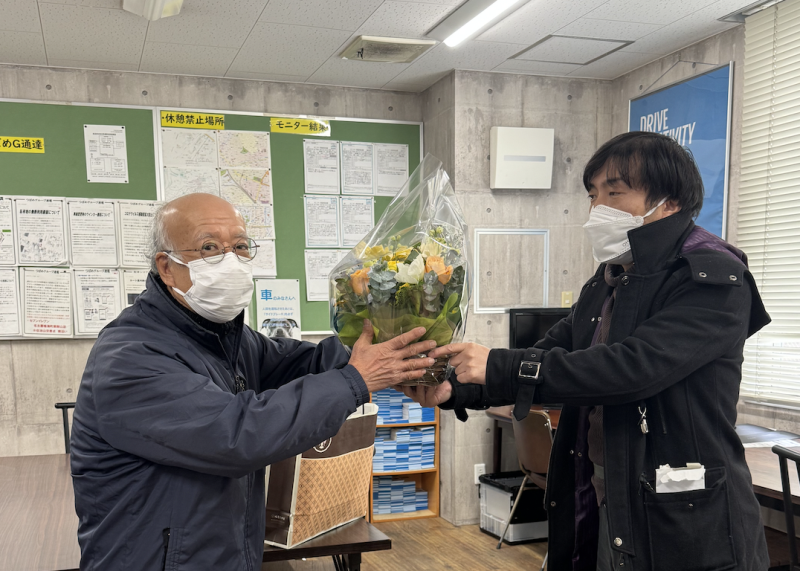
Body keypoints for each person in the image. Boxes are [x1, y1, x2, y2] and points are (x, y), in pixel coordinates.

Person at [405, 132, 771, 571]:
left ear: (670, 202)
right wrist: (456, 387)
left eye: (614, 193)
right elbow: (551, 353)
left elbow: (630, 369)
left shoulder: (710, 279)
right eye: (593, 195)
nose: (598, 209)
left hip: (683, 515)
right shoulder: (610, 279)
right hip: (605, 491)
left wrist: (498, 365)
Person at [70, 193, 437, 570]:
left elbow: (303, 364)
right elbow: (236, 434)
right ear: (167, 267)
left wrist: (401, 349)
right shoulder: (130, 357)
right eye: (209, 248)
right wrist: (356, 379)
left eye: (240, 246)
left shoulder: (226, 339)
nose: (230, 260)